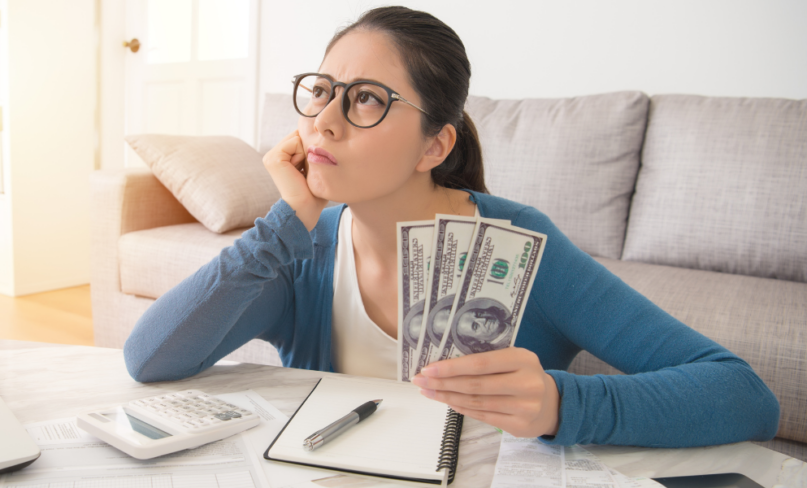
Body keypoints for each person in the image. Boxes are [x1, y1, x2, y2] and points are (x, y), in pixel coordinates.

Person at [124, 6, 779, 447]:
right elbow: (149, 359)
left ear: (433, 148)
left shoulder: (527, 249)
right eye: (323, 90)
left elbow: (744, 395)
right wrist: (284, 221)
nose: (323, 119)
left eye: (367, 101)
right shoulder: (296, 252)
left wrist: (559, 405)